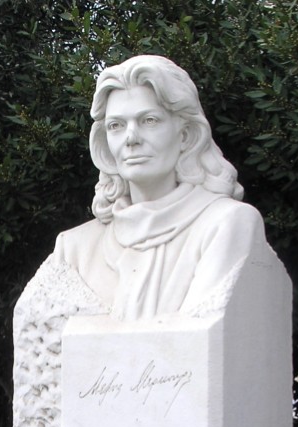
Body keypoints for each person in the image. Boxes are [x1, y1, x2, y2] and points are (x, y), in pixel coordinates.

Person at [51, 54, 266, 321]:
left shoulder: (225, 224)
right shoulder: (74, 248)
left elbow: (199, 336)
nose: (131, 138)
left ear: (185, 135)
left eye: (149, 120)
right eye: (116, 126)